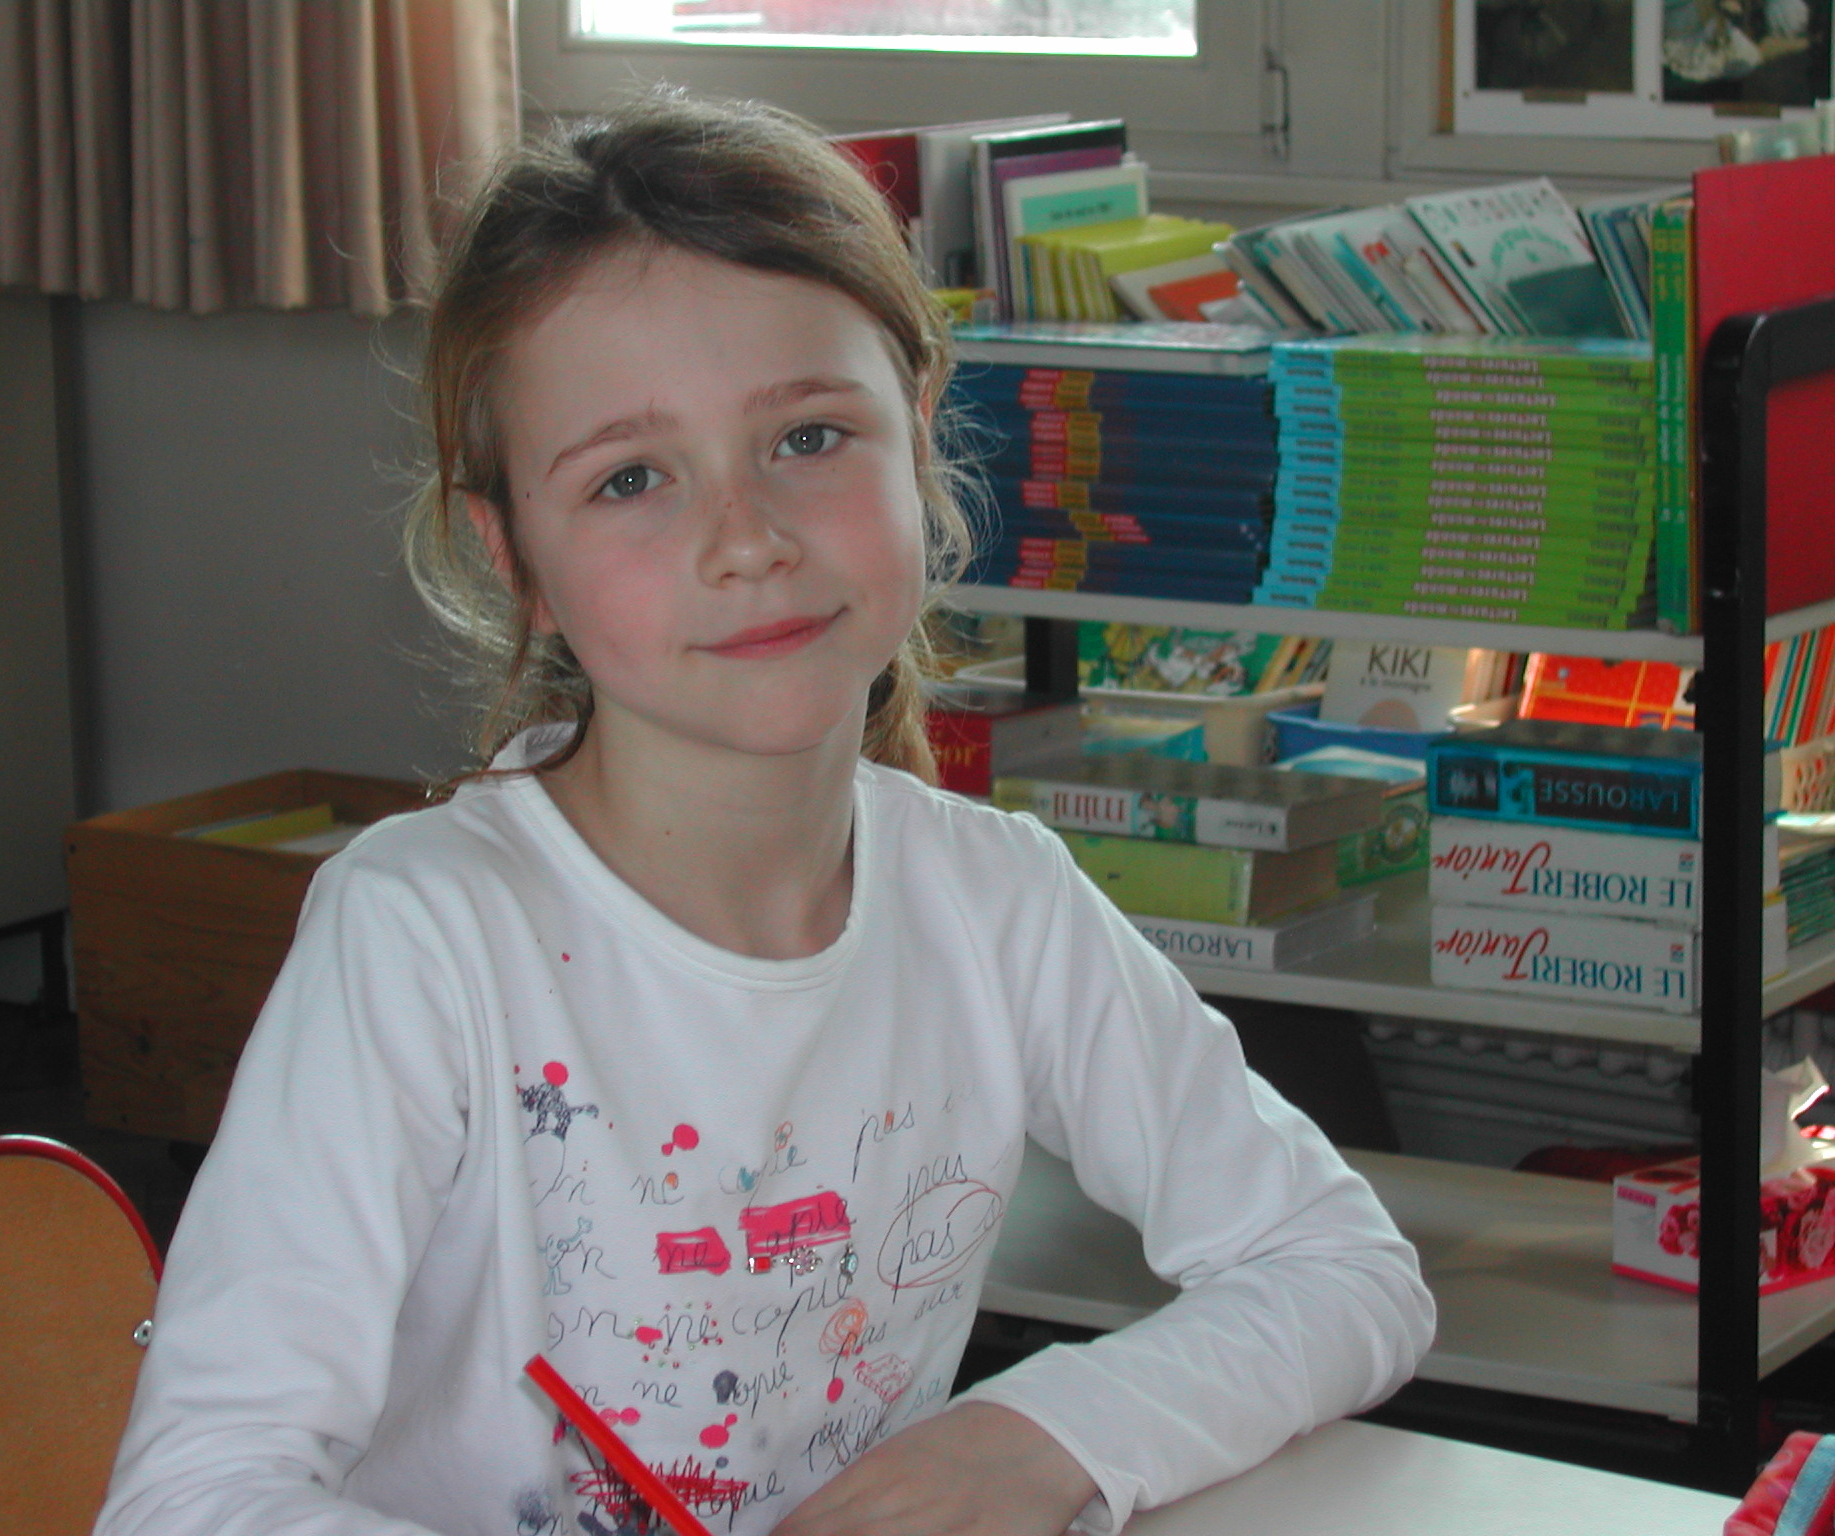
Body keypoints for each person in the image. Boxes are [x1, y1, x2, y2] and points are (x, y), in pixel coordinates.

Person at [95, 89, 1434, 1536]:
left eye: (807, 437)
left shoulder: (994, 902)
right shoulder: (422, 936)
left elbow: (1344, 1268)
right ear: (516, 558)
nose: (746, 541)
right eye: (630, 478)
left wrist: (1031, 1438)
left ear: (918, 436)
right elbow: (194, 1498)